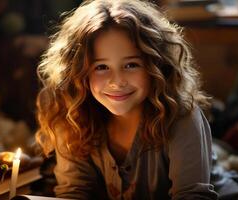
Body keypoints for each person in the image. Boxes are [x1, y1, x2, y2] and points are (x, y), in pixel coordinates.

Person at [35, 0, 218, 199]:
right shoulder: (72, 117)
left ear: (156, 65)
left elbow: (192, 195)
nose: (117, 82)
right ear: (79, 74)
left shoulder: (182, 117)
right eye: (101, 67)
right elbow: (74, 191)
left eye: (131, 65)